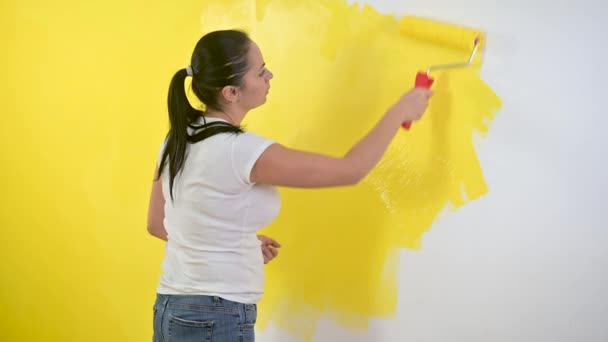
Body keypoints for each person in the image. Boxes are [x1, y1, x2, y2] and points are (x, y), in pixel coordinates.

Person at [147, 29, 432, 342]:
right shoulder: (239, 150)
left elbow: (158, 224)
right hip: (216, 317)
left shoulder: (178, 138)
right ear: (231, 92)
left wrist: (236, 241)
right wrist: (399, 112)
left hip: (171, 310)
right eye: (260, 71)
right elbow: (349, 170)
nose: (270, 75)